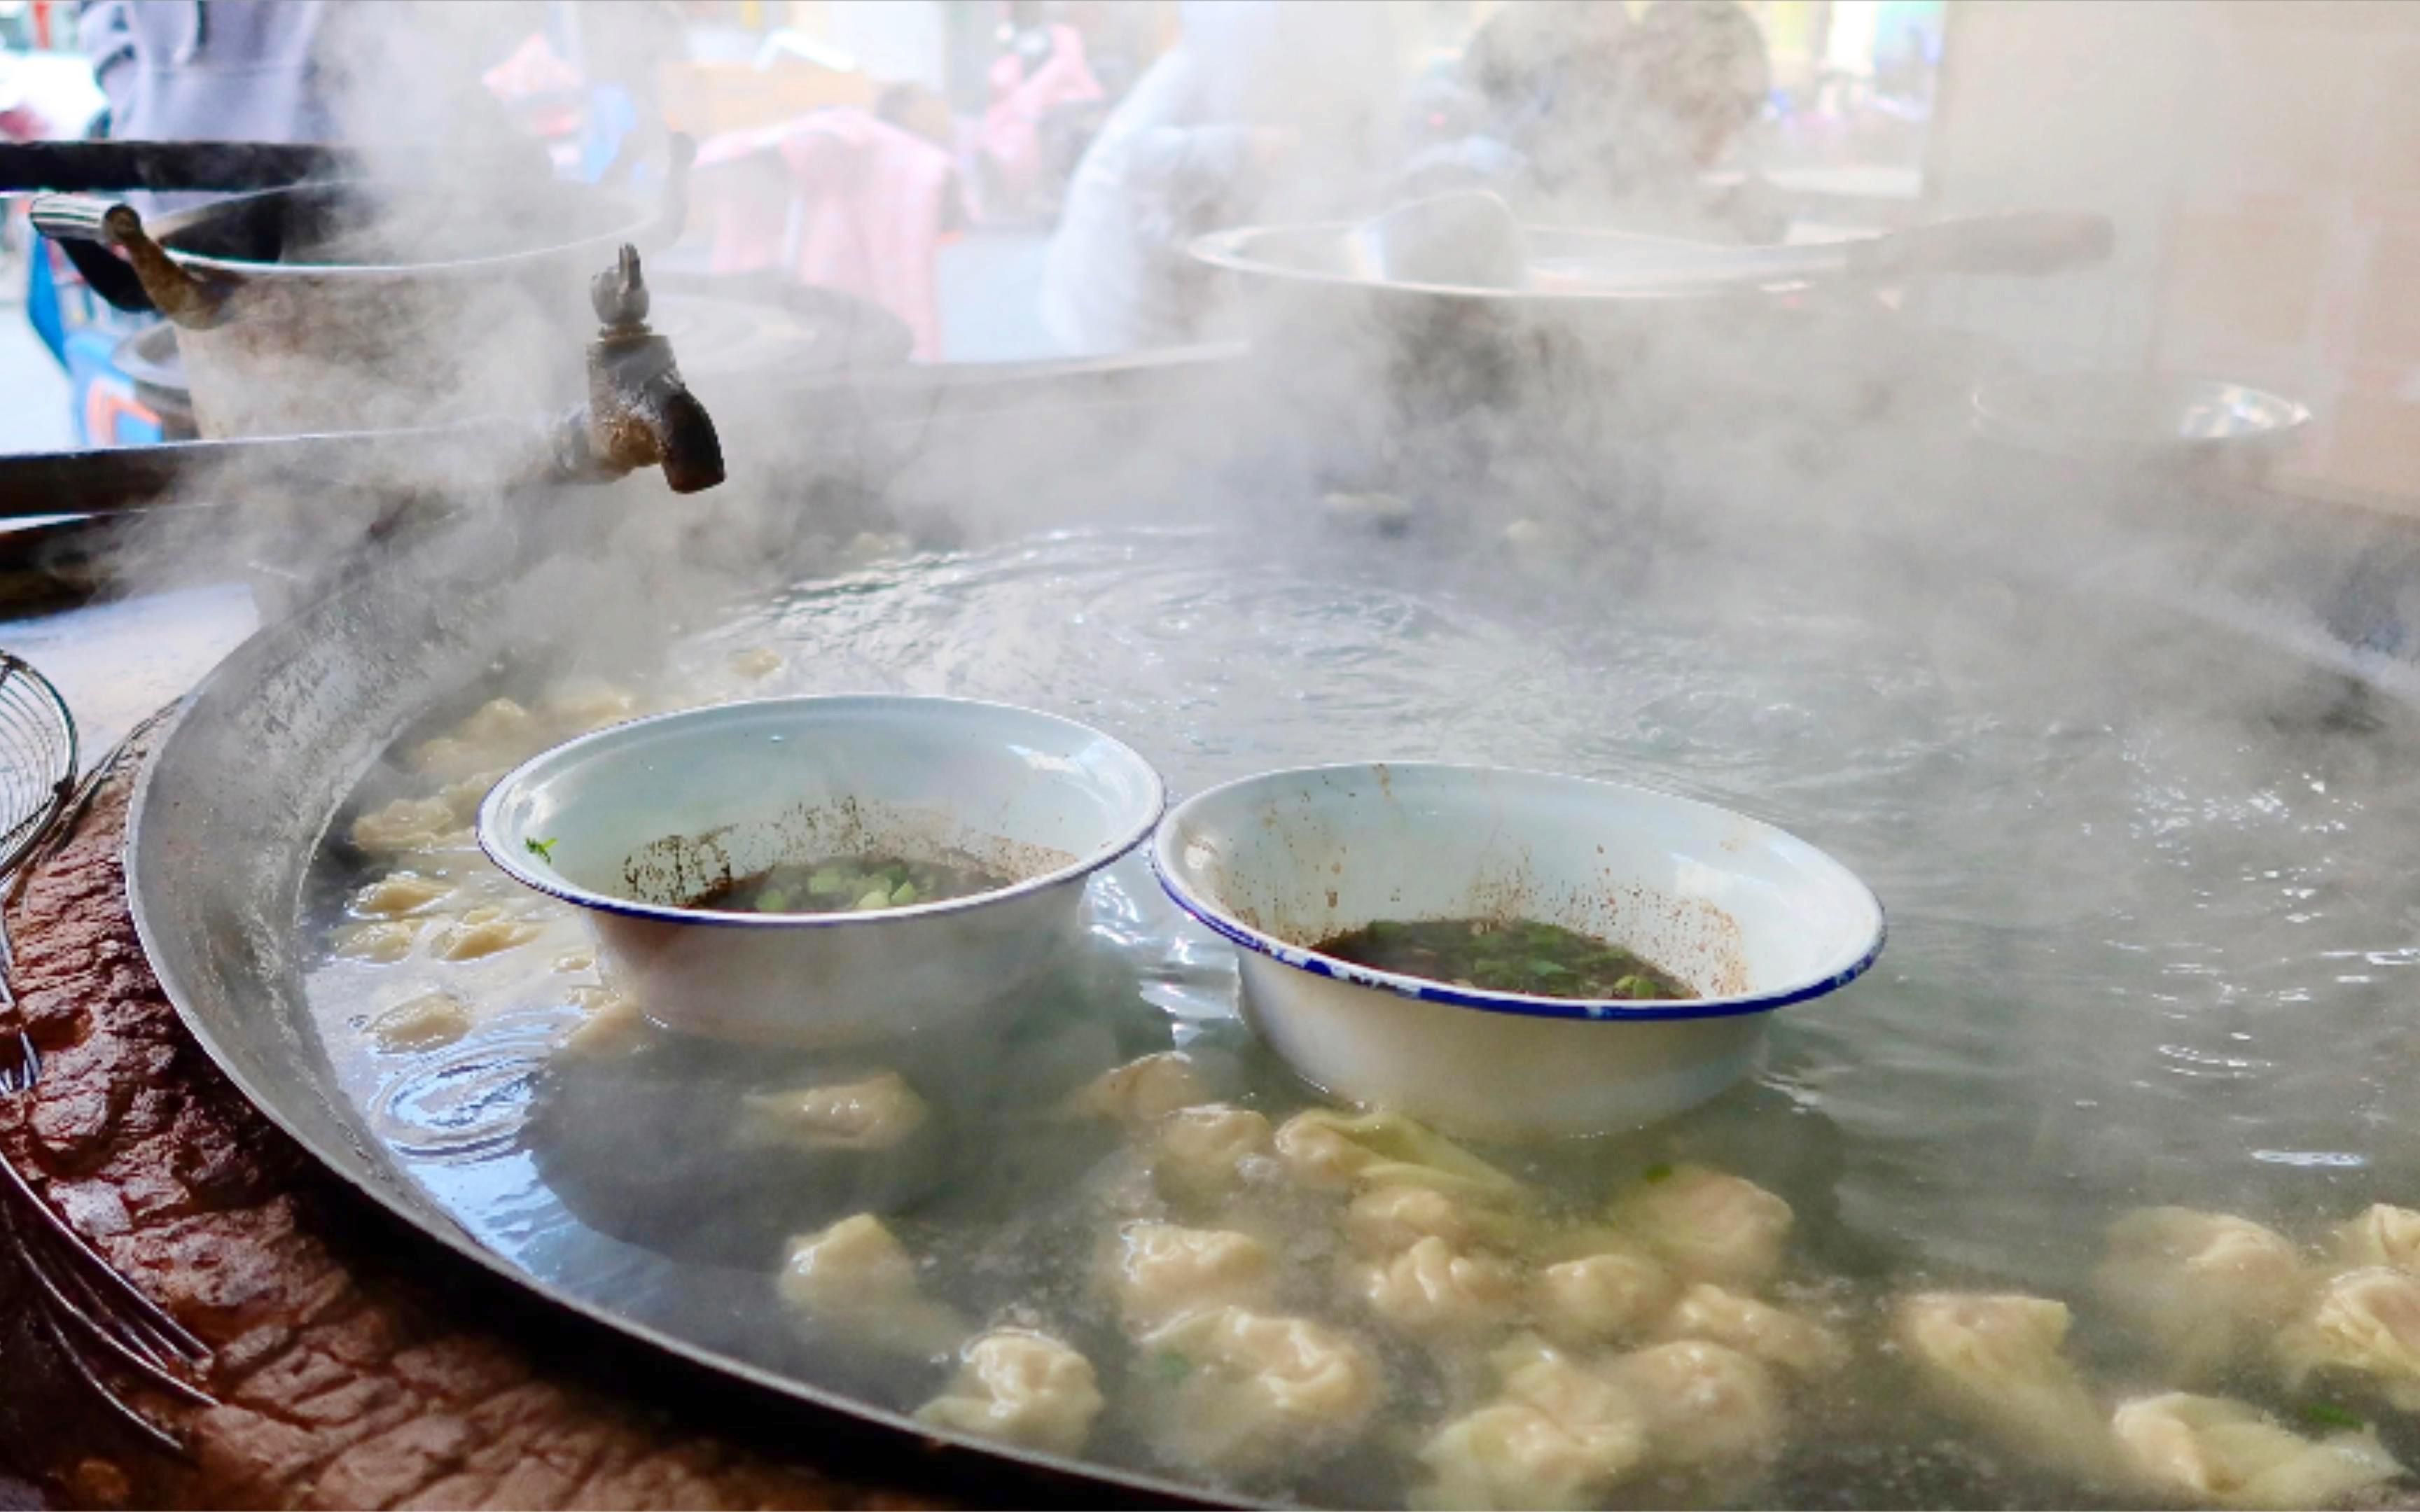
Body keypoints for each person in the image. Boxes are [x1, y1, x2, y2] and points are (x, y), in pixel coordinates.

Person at [1038, 0, 1410, 356]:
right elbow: (1135, 156)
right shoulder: (1191, 69)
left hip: (1177, 280)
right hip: (1120, 285)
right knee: (1134, 392)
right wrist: (1244, 145)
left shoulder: (1287, 84)